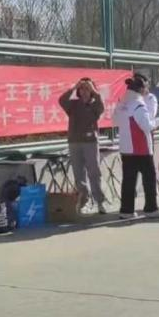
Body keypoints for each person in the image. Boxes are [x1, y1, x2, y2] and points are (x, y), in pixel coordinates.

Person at [113, 73, 159, 220]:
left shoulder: (122, 104)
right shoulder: (138, 105)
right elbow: (147, 126)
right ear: (141, 89)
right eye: (145, 87)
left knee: (128, 181)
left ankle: (126, 210)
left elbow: (114, 121)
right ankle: (151, 208)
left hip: (126, 149)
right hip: (140, 149)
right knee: (149, 179)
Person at [59, 78, 108, 215]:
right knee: (79, 173)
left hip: (90, 142)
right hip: (74, 141)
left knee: (94, 172)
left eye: (87, 88)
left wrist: (94, 91)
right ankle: (84, 201)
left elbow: (101, 107)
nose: (84, 91)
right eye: (82, 88)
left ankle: (99, 201)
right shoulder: (73, 104)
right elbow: (62, 100)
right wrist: (74, 88)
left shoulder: (95, 104)